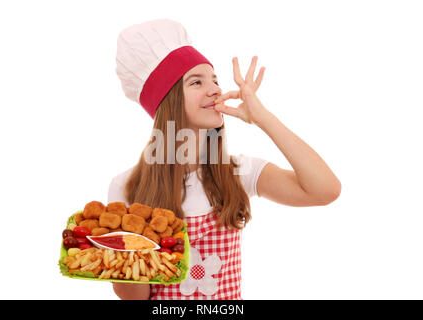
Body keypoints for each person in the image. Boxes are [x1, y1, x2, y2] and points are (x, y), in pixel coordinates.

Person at [109, 19, 341, 300]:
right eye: (197, 82)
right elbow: (132, 297)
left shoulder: (239, 172)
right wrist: (130, 241)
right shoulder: (127, 186)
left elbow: (325, 190)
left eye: (215, 80)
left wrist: (262, 117)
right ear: (166, 101)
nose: (216, 89)